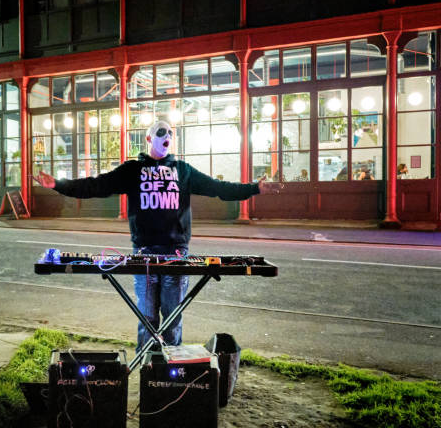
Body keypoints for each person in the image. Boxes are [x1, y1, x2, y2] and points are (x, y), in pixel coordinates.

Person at [34, 120, 274, 352]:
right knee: (147, 316)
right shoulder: (132, 170)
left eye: (170, 133)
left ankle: (172, 365)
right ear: (148, 138)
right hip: (144, 252)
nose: (167, 136)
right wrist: (58, 185)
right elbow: (96, 185)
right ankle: (148, 362)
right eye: (161, 132)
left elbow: (219, 188)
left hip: (176, 253)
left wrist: (255, 188)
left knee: (172, 316)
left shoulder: (183, 171)